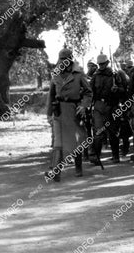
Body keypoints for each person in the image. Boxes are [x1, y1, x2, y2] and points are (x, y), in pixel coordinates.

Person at [46, 48, 92, 181]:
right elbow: (51, 95)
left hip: (74, 110)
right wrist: (49, 114)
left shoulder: (79, 74)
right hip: (58, 110)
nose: (63, 62)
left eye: (66, 59)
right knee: (58, 142)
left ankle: (78, 168)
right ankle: (56, 172)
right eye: (61, 59)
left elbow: (88, 92)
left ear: (70, 60)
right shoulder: (55, 74)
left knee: (74, 141)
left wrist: (83, 106)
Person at [90, 54, 128, 164]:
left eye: (103, 64)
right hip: (98, 106)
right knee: (98, 132)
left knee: (113, 132)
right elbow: (90, 91)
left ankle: (116, 156)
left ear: (107, 63)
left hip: (112, 106)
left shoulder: (115, 75)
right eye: (99, 64)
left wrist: (117, 89)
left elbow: (124, 90)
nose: (101, 66)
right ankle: (96, 156)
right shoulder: (95, 76)